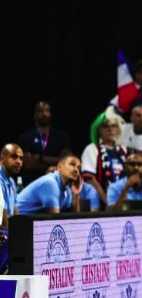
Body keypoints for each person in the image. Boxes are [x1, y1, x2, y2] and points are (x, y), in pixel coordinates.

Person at [18, 101, 71, 185]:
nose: (44, 113)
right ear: (35, 115)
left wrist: (40, 158)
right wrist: (53, 164)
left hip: (56, 182)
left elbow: (66, 161)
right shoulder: (26, 137)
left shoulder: (62, 137)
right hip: (32, 183)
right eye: (41, 111)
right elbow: (28, 164)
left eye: (47, 110)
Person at [16, 155, 84, 214]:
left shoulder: (67, 189)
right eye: (72, 164)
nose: (76, 170)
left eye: (78, 167)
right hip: (17, 221)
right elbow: (54, 222)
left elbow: (74, 219)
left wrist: (76, 194)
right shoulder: (50, 183)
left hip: (32, 223)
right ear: (59, 167)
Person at [0, 144, 23, 274]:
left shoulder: (12, 182)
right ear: (2, 158)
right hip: (3, 231)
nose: (19, 161)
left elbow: (16, 215)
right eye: (14, 157)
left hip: (5, 230)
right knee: (10, 237)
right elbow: (4, 220)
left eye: (21, 158)